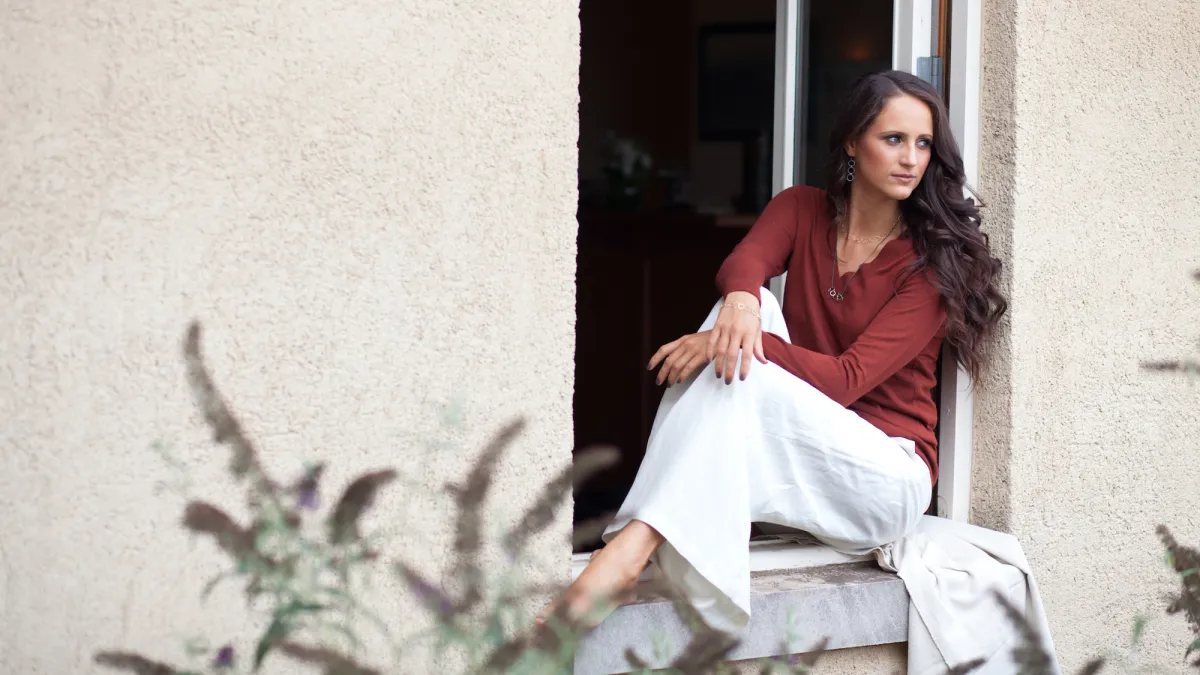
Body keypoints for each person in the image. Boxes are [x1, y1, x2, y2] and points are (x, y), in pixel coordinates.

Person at [539, 70, 1008, 635]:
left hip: (883, 480)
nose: (911, 158)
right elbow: (742, 265)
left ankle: (626, 553)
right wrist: (739, 306)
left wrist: (737, 338)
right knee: (745, 306)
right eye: (893, 139)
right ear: (853, 143)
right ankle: (634, 552)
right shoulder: (802, 209)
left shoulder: (930, 265)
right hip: (807, 454)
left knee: (737, 343)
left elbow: (845, 380)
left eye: (923, 143)